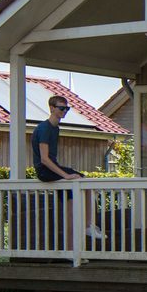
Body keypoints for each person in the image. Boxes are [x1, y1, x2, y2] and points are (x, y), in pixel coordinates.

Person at [32, 95, 103, 243]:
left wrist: (67, 174)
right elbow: (44, 159)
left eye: (67, 108)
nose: (65, 111)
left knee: (74, 203)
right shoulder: (44, 128)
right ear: (52, 108)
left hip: (52, 168)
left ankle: (73, 247)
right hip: (44, 170)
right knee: (81, 181)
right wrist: (66, 175)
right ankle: (88, 225)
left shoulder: (55, 128)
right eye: (61, 108)